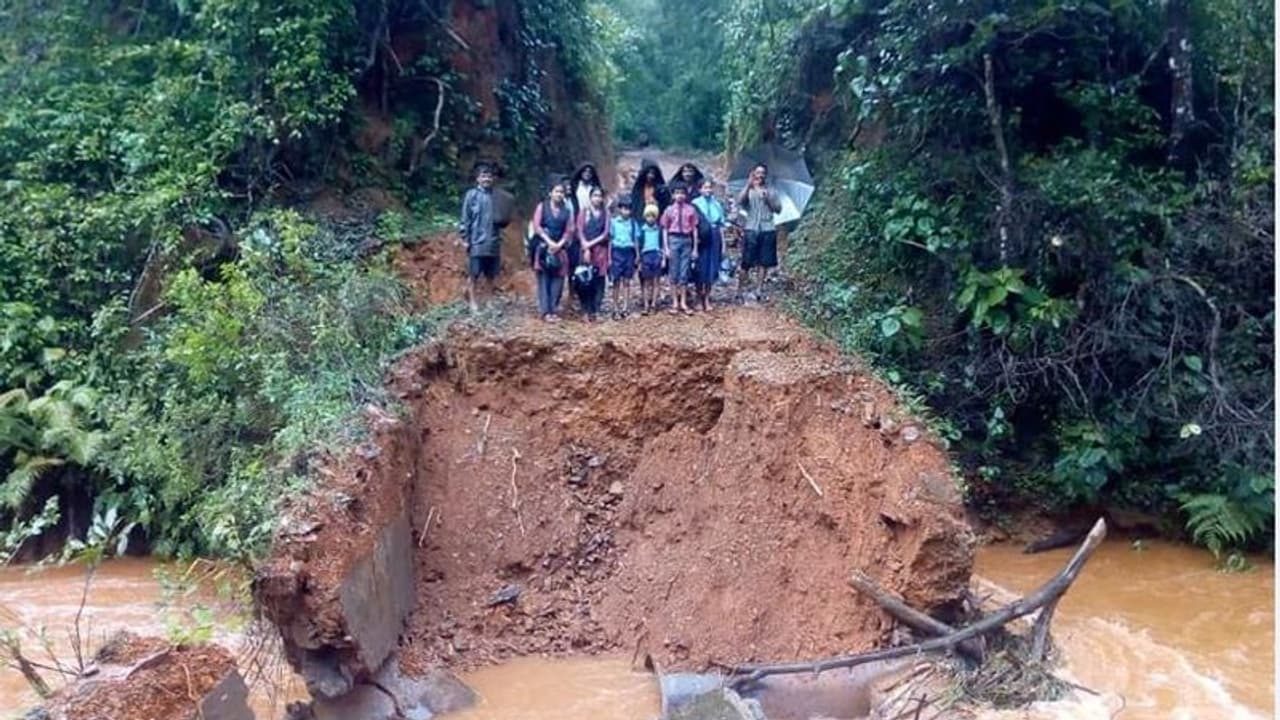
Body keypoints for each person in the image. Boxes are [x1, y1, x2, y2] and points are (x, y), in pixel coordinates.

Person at [735, 162, 783, 301]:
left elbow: (778, 209)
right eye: (758, 172)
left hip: (768, 228)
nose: (760, 175)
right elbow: (740, 201)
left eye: (763, 172)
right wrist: (749, 185)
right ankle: (739, 289)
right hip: (751, 227)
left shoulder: (771, 190)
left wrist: (768, 198)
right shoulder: (748, 189)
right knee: (746, 261)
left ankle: (758, 290)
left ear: (766, 175)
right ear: (753, 173)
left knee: (764, 261)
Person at [458, 162, 501, 313]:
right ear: (477, 179)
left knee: (491, 275)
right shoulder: (471, 195)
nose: (487, 179)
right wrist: (465, 238)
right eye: (483, 176)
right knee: (474, 274)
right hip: (477, 241)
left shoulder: (497, 196)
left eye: (489, 176)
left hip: (493, 241)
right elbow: (466, 218)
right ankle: (473, 302)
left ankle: (489, 302)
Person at [531, 182, 576, 322]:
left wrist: (559, 244)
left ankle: (554, 309)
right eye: (556, 191)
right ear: (550, 193)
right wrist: (549, 242)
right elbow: (537, 226)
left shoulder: (567, 211)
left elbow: (569, 230)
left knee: (558, 280)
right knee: (544, 279)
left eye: (561, 192)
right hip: (544, 247)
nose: (559, 194)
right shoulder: (542, 207)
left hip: (560, 248)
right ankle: (545, 311)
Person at [660, 182, 699, 315]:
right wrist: (665, 247)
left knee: (684, 271)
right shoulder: (669, 210)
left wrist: (695, 248)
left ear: (686, 194)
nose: (680, 196)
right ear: (673, 195)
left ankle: (683, 301)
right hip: (674, 239)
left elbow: (694, 229)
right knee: (673, 271)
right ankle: (674, 302)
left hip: (686, 240)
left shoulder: (691, 209)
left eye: (682, 193)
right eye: (677, 193)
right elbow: (665, 229)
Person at [576, 186, 611, 322]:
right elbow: (579, 230)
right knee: (584, 281)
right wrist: (585, 246)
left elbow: (605, 233)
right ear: (590, 198)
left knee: (599, 281)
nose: (597, 198)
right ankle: (585, 310)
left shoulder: (606, 213)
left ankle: (596, 310)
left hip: (600, 251)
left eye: (599, 196)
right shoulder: (584, 212)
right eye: (595, 195)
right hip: (585, 252)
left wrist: (590, 244)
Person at [691, 178, 726, 312]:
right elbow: (693, 225)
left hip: (715, 236)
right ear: (700, 189)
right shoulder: (695, 204)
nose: (708, 190)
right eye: (705, 187)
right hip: (701, 238)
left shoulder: (717, 204)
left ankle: (707, 297)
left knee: (712, 267)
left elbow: (721, 226)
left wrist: (723, 246)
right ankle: (699, 296)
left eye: (710, 187)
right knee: (700, 267)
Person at [609, 197, 640, 318]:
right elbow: (611, 240)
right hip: (617, 252)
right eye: (624, 209)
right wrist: (610, 257)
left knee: (627, 281)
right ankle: (615, 307)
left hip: (629, 252)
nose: (626, 212)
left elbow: (636, 240)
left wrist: (637, 255)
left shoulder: (633, 223)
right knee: (616, 281)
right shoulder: (614, 222)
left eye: (628, 209)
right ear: (620, 209)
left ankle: (625, 307)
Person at [638, 204, 664, 315]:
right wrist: (639, 260)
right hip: (645, 256)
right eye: (648, 216)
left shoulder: (659, 230)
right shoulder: (642, 230)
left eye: (653, 216)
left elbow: (662, 244)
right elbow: (639, 245)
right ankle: (646, 304)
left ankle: (653, 303)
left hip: (656, 255)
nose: (650, 218)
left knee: (656, 281)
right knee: (646, 281)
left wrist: (663, 258)